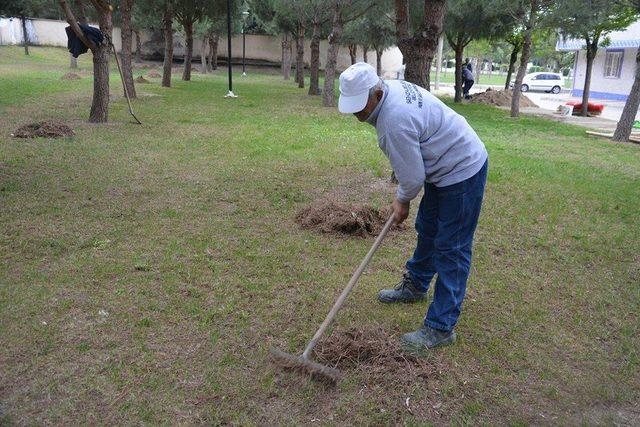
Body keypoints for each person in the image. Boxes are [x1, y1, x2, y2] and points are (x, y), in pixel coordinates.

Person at [337, 62, 488, 353]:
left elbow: (413, 177)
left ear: (377, 93)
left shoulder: (394, 119)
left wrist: (402, 200)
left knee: (451, 247)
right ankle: (416, 286)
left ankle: (441, 327)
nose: (358, 115)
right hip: (443, 165)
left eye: (361, 107)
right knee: (428, 229)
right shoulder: (390, 91)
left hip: (462, 169)